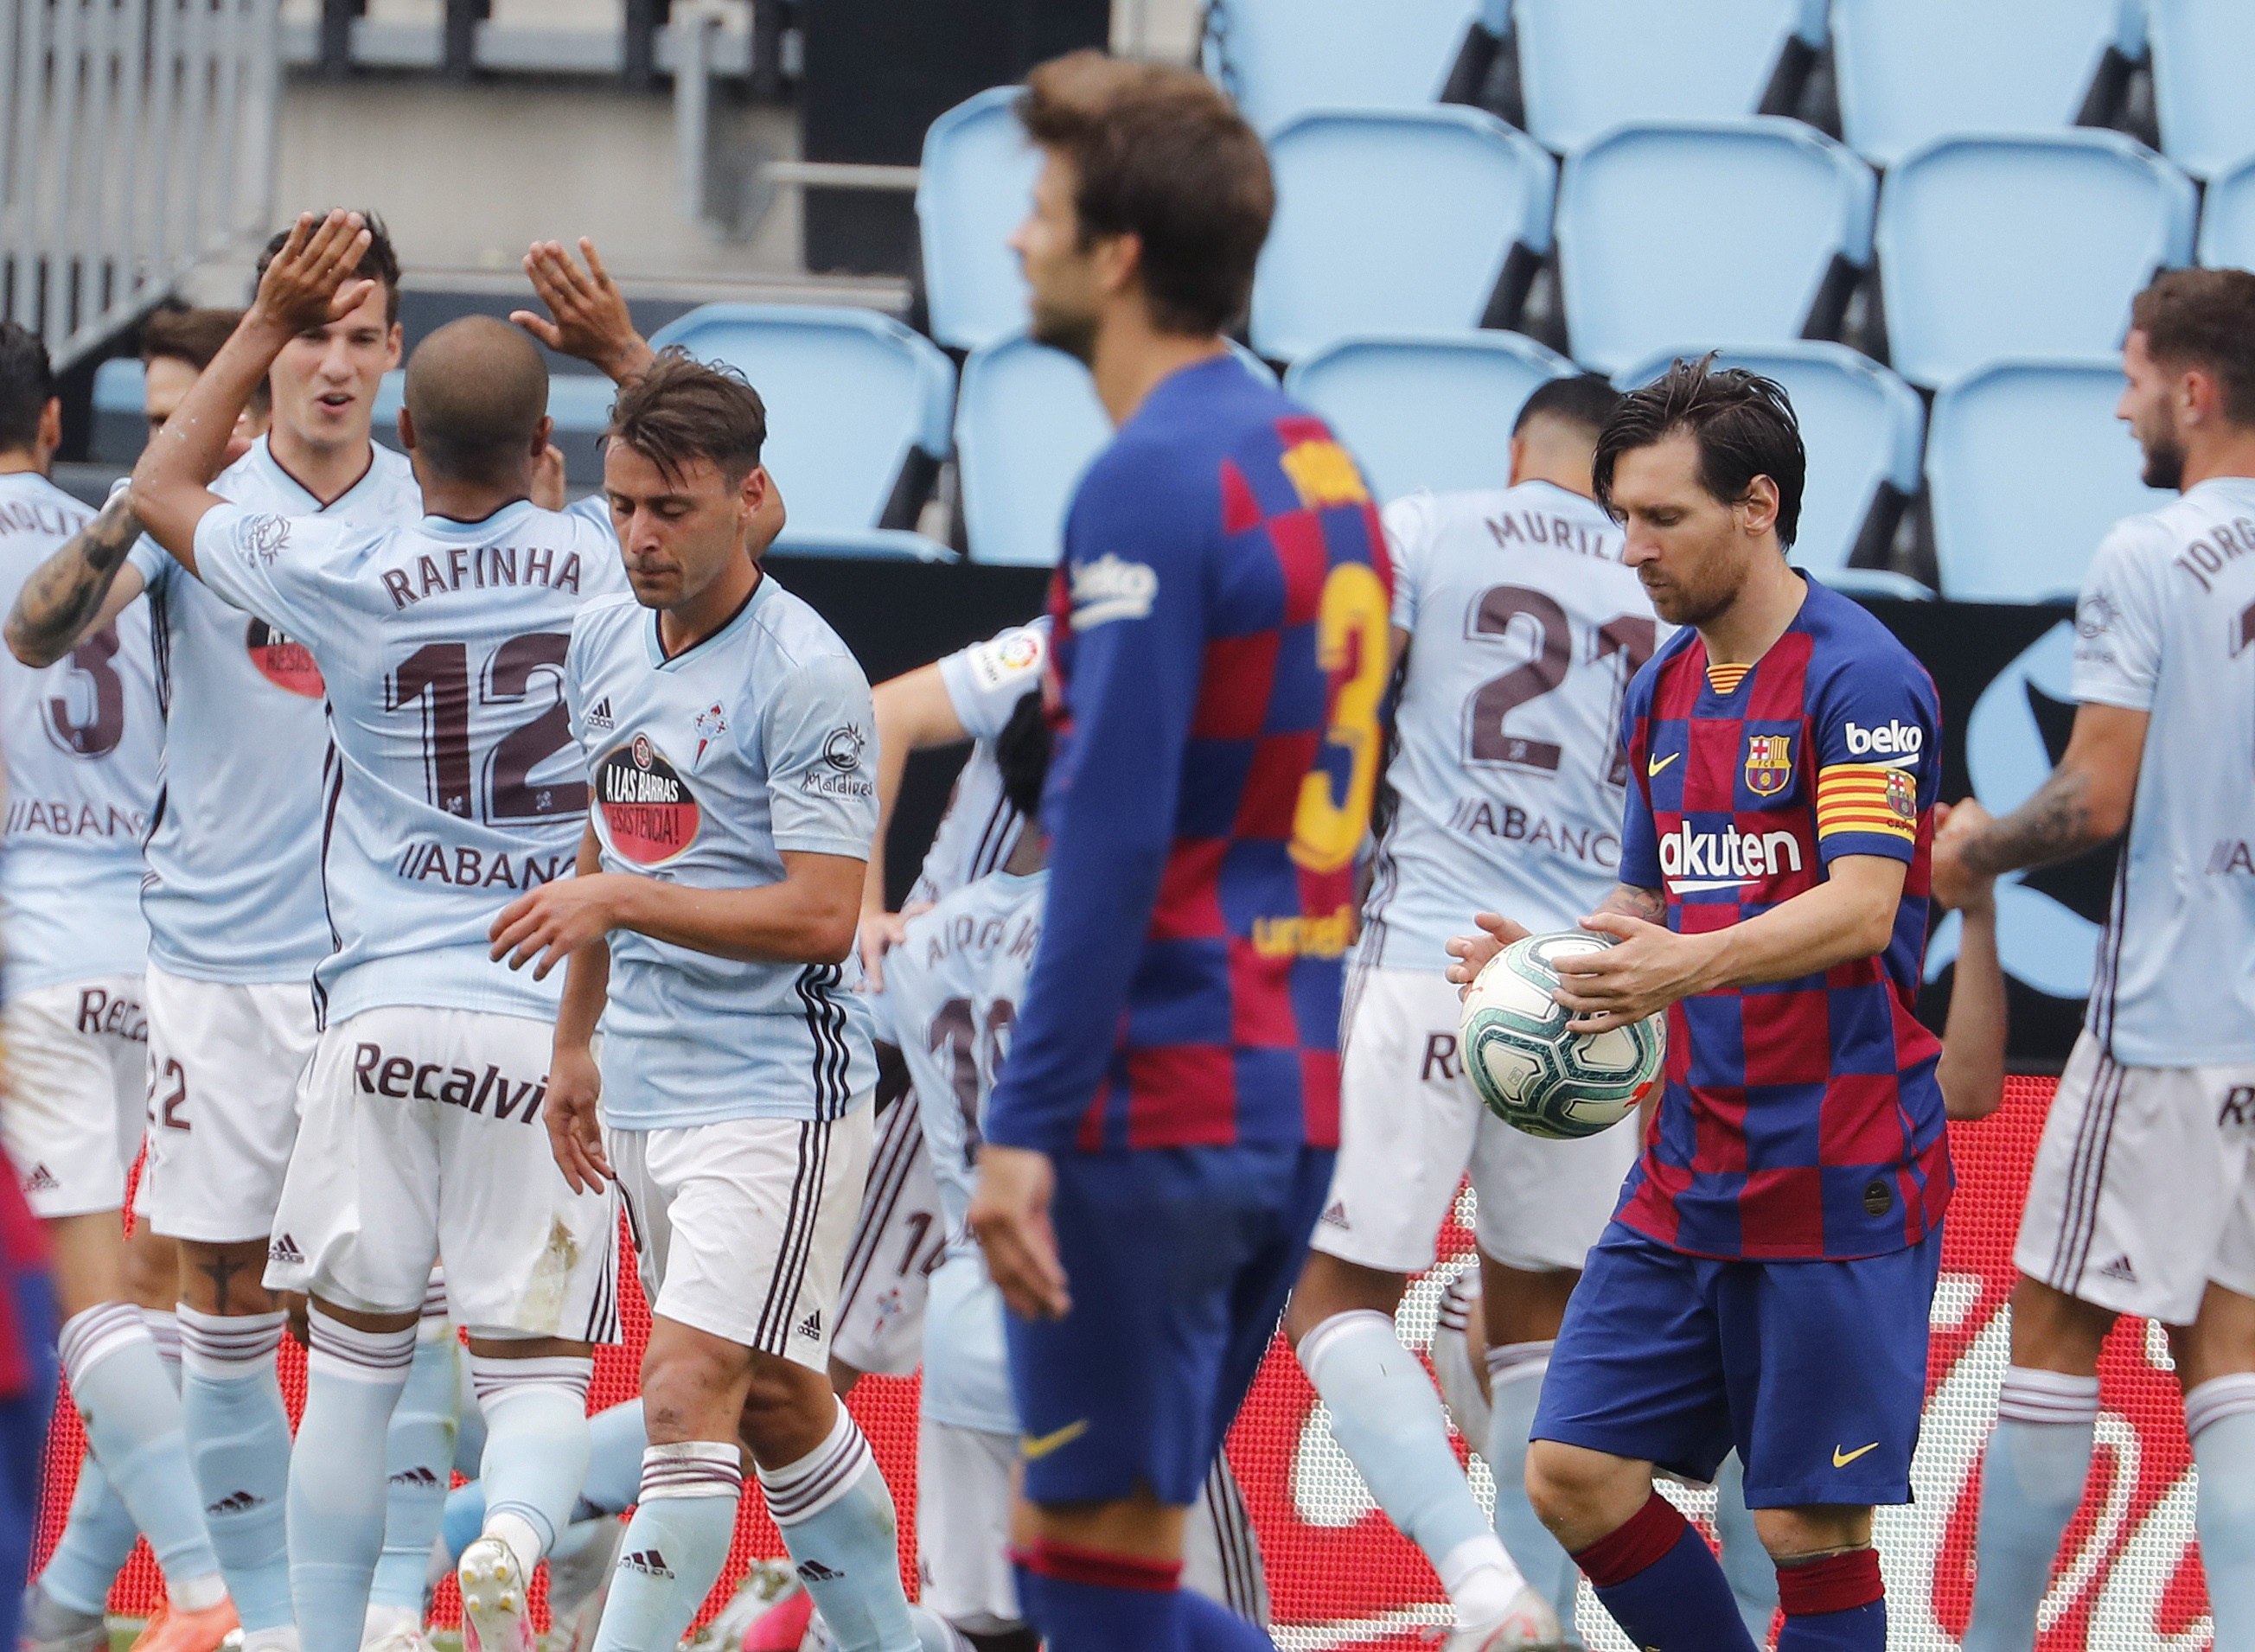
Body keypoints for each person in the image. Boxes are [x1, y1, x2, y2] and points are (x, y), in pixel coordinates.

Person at [128, 210, 627, 1652]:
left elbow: (164, 478)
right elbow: (748, 504)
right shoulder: (609, 558)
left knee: (346, 1373)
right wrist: (619, 354)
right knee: (531, 1379)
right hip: (544, 1026)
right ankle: (506, 1544)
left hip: (375, 1016)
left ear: (407, 434)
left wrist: (261, 319)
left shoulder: (340, 571)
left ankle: (326, 1635)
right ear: (553, 443)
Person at [962, 54, 1390, 1652]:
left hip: (1154, 1099)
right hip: (1286, 1089)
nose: (1016, 241)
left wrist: (1025, 1125)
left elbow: (1111, 830)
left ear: (1116, 252)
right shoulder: (1317, 458)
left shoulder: (1143, 477)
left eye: (1043, 210)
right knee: (1102, 1569)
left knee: (1082, 1579)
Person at [4, 223, 467, 1652]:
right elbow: (36, 629)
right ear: (268, 348)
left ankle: (388, 1612)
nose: (333, 362)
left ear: (394, 356)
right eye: (304, 331)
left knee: (401, 1304)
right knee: (215, 1297)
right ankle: (262, 1627)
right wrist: (176, 468)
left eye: (359, 334)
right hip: (213, 961)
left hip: (392, 967)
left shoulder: (432, 516)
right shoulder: (197, 514)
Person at [1445, 359, 1950, 1652]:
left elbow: (1861, 908)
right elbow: (1650, 909)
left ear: (1759, 504)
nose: (1632, 549)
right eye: (1622, 514)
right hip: (1690, 1166)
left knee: (1807, 1532)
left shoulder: (1860, 677)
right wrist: (1558, 966)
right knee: (1571, 1471)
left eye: (1661, 517)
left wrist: (1684, 963)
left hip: (1836, 1169)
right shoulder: (1666, 684)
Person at [489, 349, 960, 1652]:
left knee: (685, 1391)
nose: (639, 534)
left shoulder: (806, 672)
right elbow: (608, 843)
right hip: (639, 1070)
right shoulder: (603, 635)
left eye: (671, 508)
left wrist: (617, 909)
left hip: (774, 1092)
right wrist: (574, 1038)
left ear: (751, 497)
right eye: (623, 502)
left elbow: (821, 913)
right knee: (778, 1403)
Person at [1283, 373, 1646, 1647]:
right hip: (1586, 985)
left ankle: (1481, 1585)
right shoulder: (1656, 574)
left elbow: (1317, 673)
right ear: (1619, 472)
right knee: (1542, 1321)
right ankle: (1536, 1613)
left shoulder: (1433, 527)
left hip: (1431, 953)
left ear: (1516, 451)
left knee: (1330, 1296)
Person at [1932, 267, 2255, 1651]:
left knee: (2054, 1332)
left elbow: (2096, 796)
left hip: (2170, 1017)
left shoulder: (2152, 552)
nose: (2123, 407)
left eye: (2131, 379)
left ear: (2193, 390)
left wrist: (1977, 851)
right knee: (2232, 1360)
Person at [872, 693, 1268, 1652]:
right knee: (1192, 1622)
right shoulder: (1138, 933)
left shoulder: (923, 940)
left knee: (983, 1631)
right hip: (1103, 1314)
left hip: (968, 1318)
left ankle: (835, 1628)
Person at [0, 322, 237, 1652]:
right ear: (49, 423)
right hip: (154, 945)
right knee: (142, 1304)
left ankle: (200, 1588)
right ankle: (79, 1599)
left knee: (89, 1305)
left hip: (28, 958)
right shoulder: (136, 532)